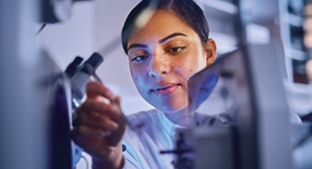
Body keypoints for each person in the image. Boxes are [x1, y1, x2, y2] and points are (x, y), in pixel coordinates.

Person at [72, 0, 217, 168]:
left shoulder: (247, 125)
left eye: (175, 48)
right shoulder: (124, 139)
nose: (155, 69)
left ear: (208, 53)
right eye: (140, 57)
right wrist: (109, 161)